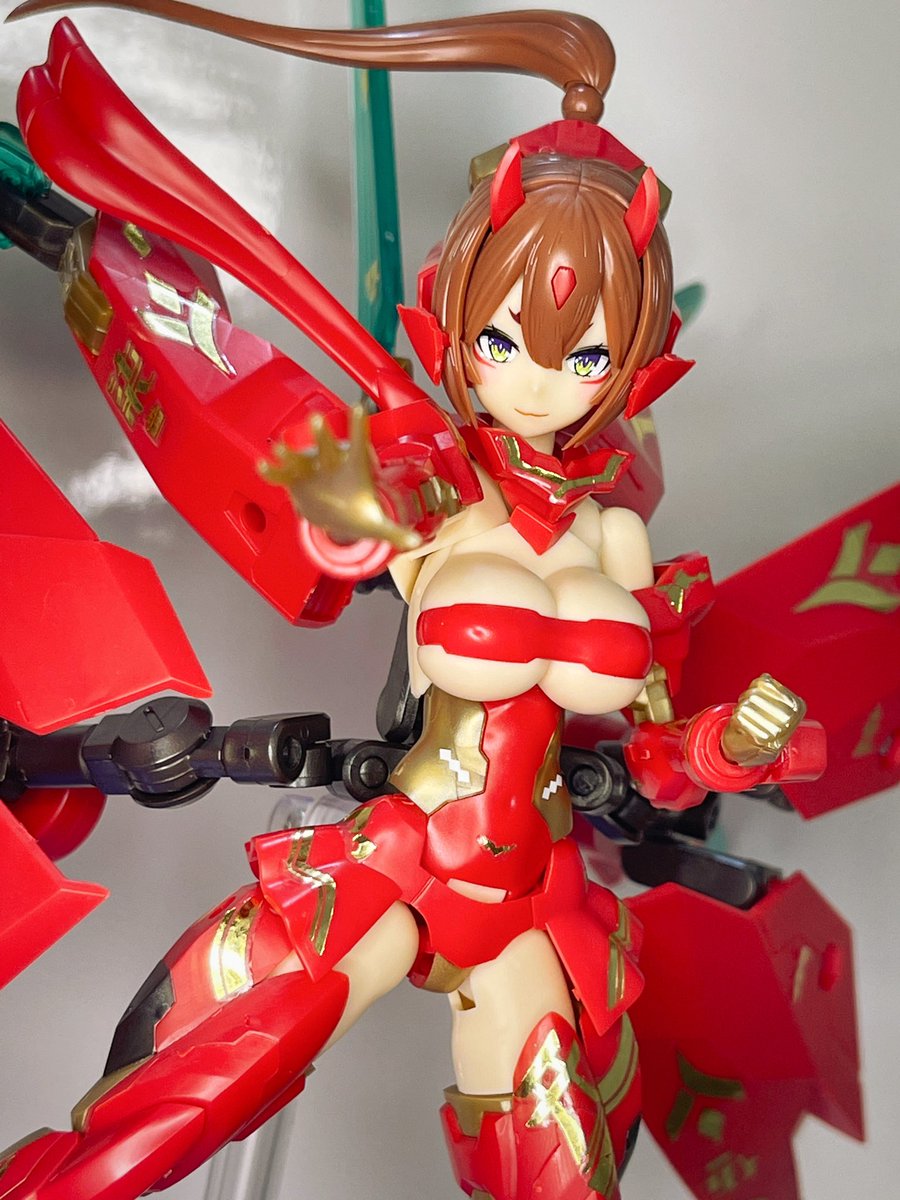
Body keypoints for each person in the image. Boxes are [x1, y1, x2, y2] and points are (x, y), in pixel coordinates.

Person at [0, 7, 818, 1199]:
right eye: (506, 339)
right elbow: (354, 509)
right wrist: (352, 502)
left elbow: (645, 756)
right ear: (462, 314)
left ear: (634, 361)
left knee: (562, 1175)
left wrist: (721, 748)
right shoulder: (441, 481)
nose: (536, 382)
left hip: (535, 897)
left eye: (585, 355)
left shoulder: (617, 535)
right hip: (404, 858)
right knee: (181, 1111)